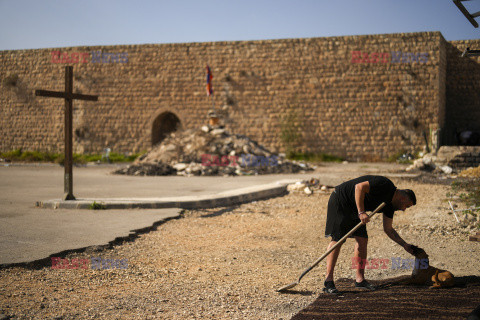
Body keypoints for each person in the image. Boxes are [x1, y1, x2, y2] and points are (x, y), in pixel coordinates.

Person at [323, 175, 416, 294]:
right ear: (403, 198)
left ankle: (360, 280)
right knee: (338, 239)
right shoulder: (385, 184)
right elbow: (359, 187)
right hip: (341, 200)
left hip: (355, 207)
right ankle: (328, 281)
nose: (404, 209)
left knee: (362, 240)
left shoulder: (390, 206)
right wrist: (361, 212)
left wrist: (404, 245)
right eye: (406, 206)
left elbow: (388, 229)